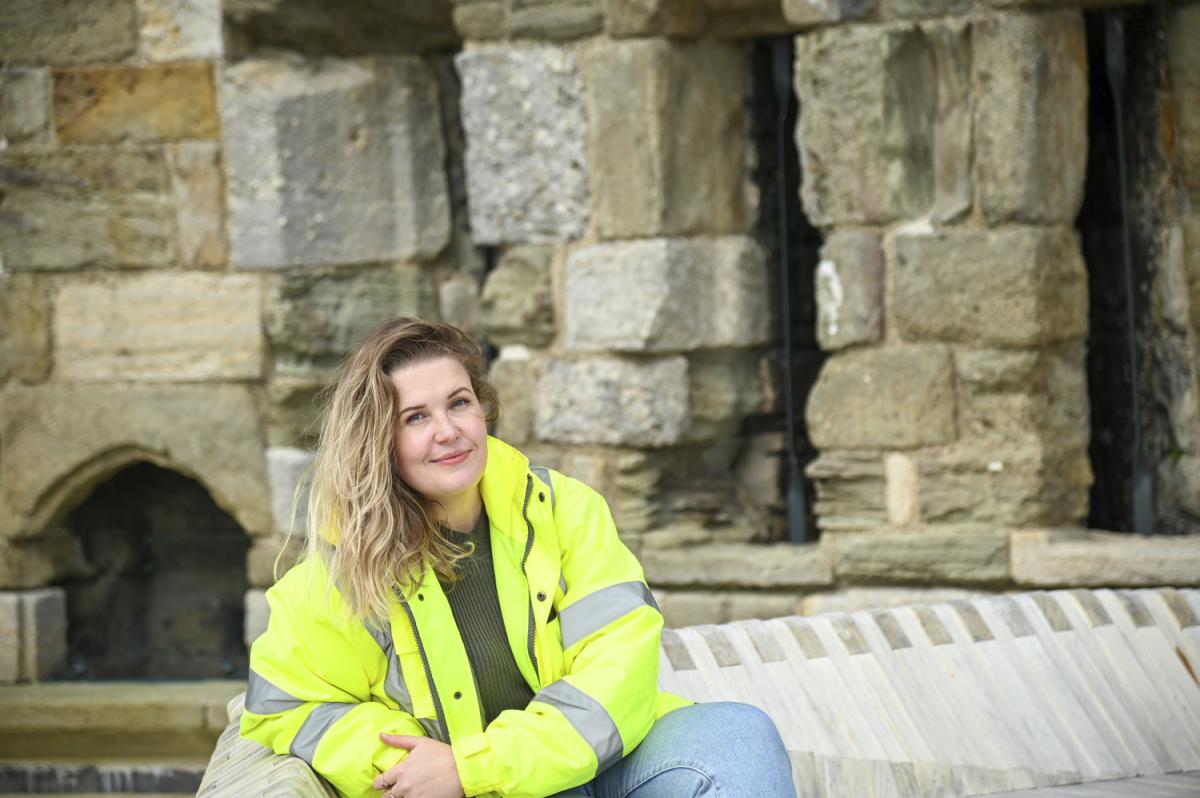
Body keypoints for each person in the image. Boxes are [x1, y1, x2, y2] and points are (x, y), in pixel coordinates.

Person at [240, 317, 797, 798]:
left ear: (484, 408)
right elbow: (282, 706)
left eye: (459, 403)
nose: (448, 431)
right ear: (378, 441)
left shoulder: (563, 511)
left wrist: (476, 765)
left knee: (739, 733)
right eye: (415, 417)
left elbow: (620, 664)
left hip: (601, 763)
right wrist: (405, 766)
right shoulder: (340, 573)